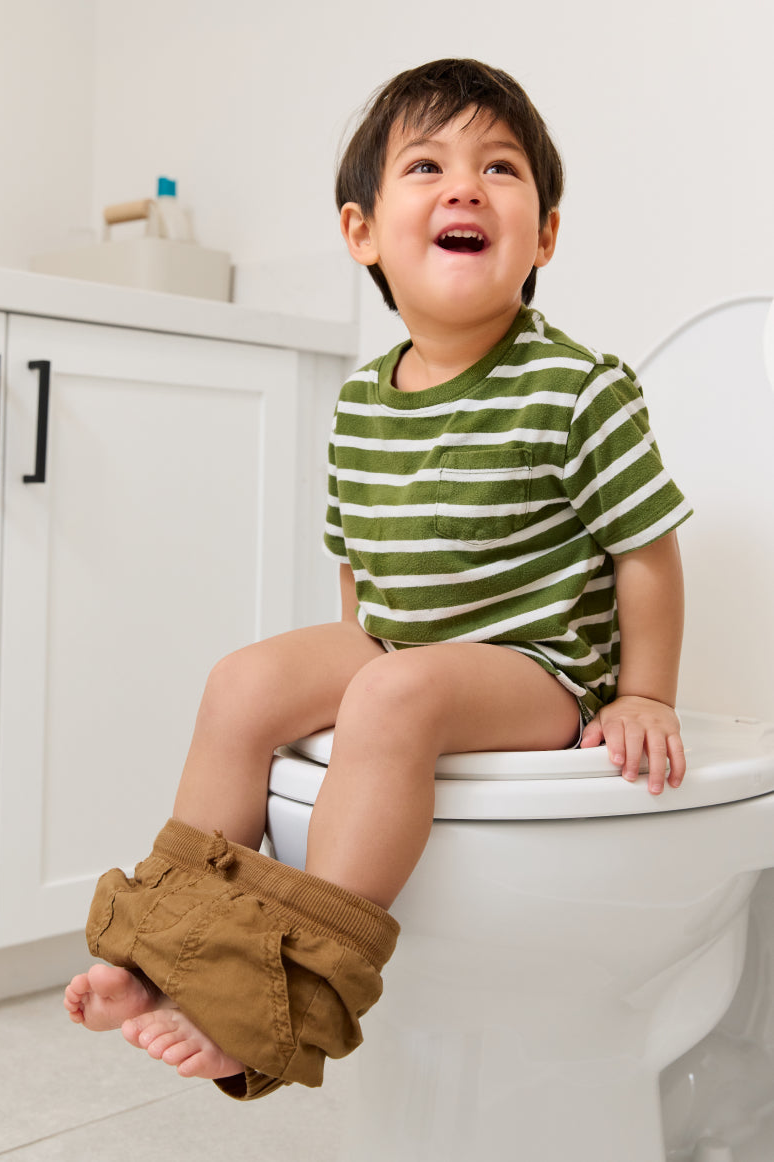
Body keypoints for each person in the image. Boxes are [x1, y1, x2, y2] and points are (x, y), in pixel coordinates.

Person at [64, 57, 691, 1101]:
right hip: (404, 648)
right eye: (428, 166)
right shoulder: (360, 403)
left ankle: (284, 997)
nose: (465, 187)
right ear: (362, 232)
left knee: (392, 693)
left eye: (500, 168)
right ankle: (169, 950)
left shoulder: (578, 385)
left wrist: (646, 694)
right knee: (242, 683)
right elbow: (357, 567)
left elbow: (647, 551)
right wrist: (346, 668)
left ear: (544, 235)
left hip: (540, 668)